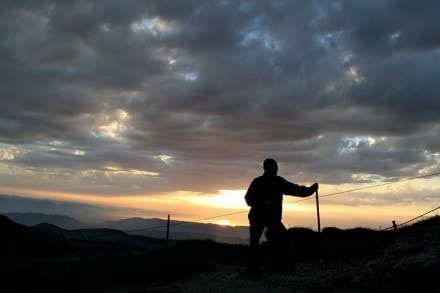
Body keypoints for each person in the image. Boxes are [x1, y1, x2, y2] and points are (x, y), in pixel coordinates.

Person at [244, 158, 318, 275]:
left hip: (271, 218)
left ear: (276, 169)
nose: (271, 170)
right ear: (265, 168)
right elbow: (248, 199)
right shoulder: (257, 182)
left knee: (283, 238)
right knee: (254, 242)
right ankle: (253, 268)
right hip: (258, 217)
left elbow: (296, 189)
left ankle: (279, 265)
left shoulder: (279, 182)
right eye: (269, 168)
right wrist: (260, 203)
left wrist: (311, 190)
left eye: (273, 168)